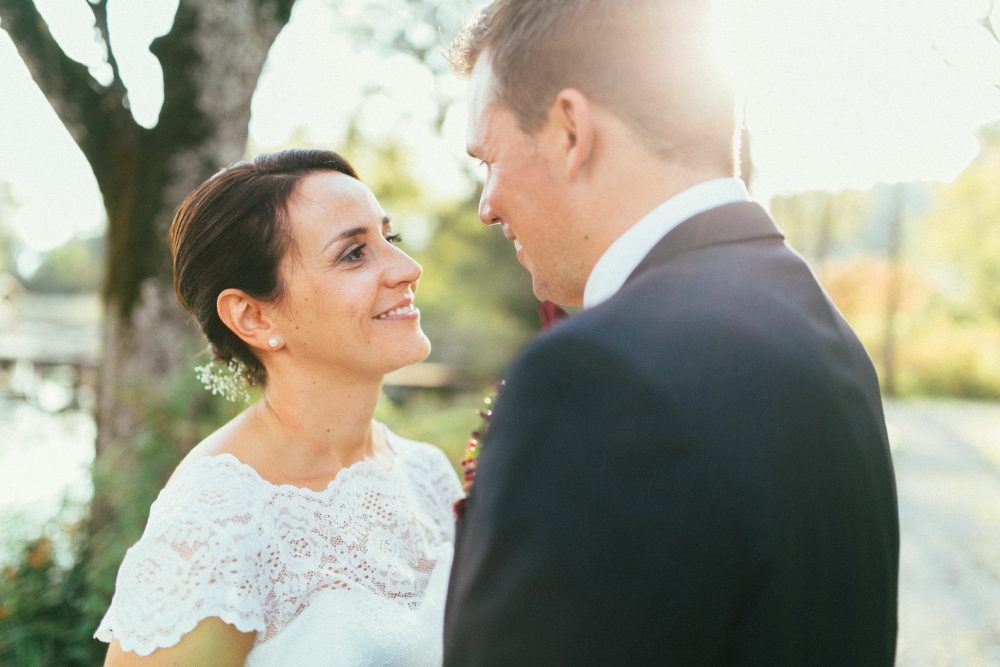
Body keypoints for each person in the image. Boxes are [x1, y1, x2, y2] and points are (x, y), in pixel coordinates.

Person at [443, 1, 899, 664]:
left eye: (489, 159)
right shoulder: (820, 327)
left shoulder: (594, 378)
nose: (487, 205)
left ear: (571, 128)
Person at [94, 149, 462, 666]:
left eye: (390, 238)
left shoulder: (429, 476)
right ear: (253, 316)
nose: (408, 268)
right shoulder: (215, 525)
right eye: (354, 253)